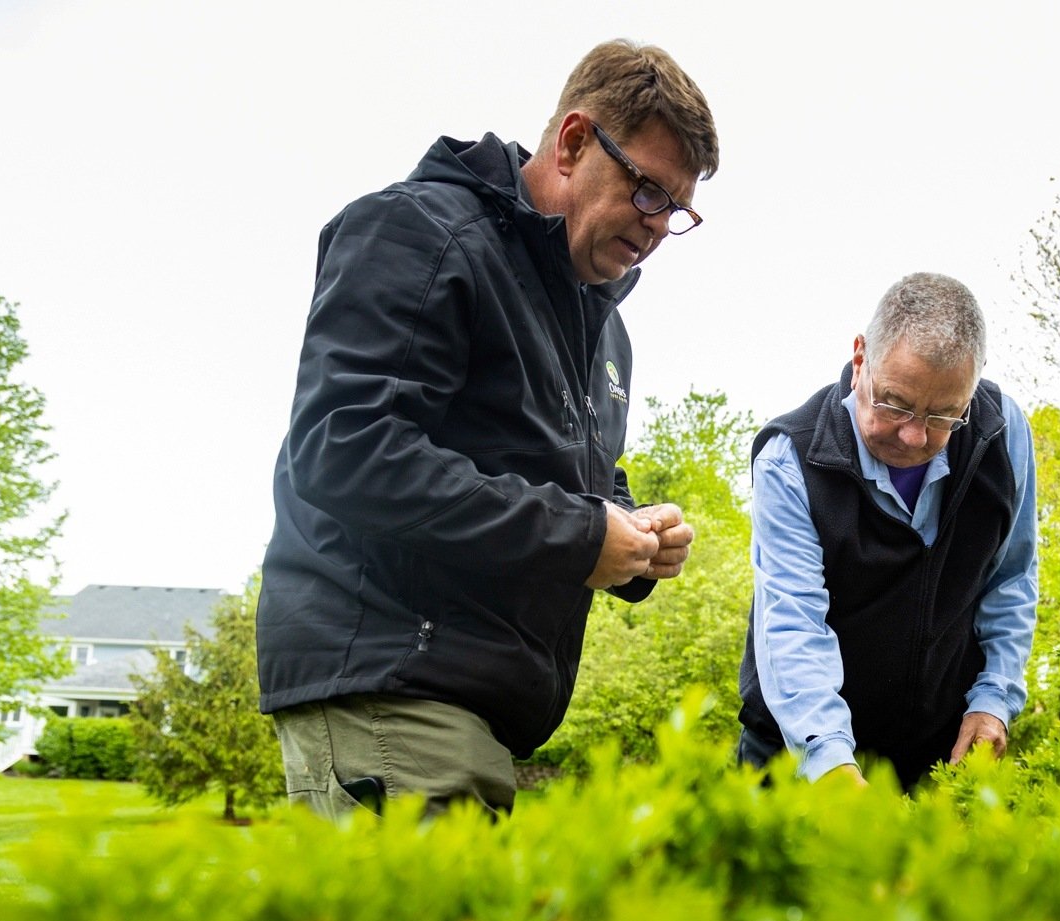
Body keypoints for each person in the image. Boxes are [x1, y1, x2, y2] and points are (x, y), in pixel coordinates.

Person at [257, 40, 719, 818]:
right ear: (573, 143)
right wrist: (580, 535)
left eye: (677, 211)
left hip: (468, 713)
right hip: (392, 687)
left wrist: (631, 535)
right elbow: (347, 449)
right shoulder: (421, 235)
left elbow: (568, 482)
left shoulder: (600, 328)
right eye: (646, 191)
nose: (655, 229)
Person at [737, 273, 1039, 789]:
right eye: (895, 404)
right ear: (860, 359)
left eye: (945, 415)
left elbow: (1011, 580)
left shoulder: (1002, 433)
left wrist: (994, 699)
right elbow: (793, 627)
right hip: (798, 756)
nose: (916, 435)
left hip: (937, 757)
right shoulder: (790, 461)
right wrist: (830, 763)